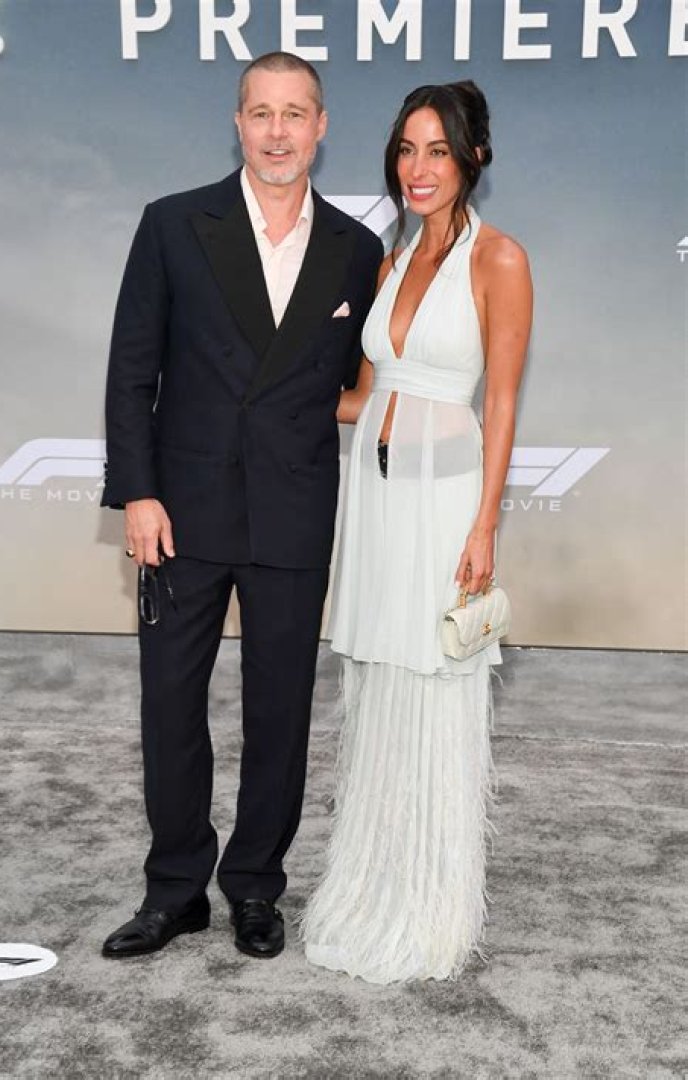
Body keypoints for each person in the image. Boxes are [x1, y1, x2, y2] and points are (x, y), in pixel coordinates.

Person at [100, 52, 383, 960]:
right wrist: (138, 492)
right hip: (180, 510)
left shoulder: (357, 248)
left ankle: (256, 885)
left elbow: (359, 383)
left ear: (321, 127)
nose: (277, 131)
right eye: (261, 112)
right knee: (170, 704)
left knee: (281, 710)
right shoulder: (174, 224)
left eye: (295, 113)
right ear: (237, 123)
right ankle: (176, 888)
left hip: (293, 509)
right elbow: (130, 371)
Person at [301, 82, 532, 984]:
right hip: (376, 497)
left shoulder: (499, 260)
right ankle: (374, 884)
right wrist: (267, 394)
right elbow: (363, 395)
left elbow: (501, 403)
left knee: (434, 685)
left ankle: (431, 906)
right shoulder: (391, 261)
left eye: (437, 150)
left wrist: (485, 525)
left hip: (445, 503)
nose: (418, 168)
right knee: (379, 681)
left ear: (474, 158)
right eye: (406, 149)